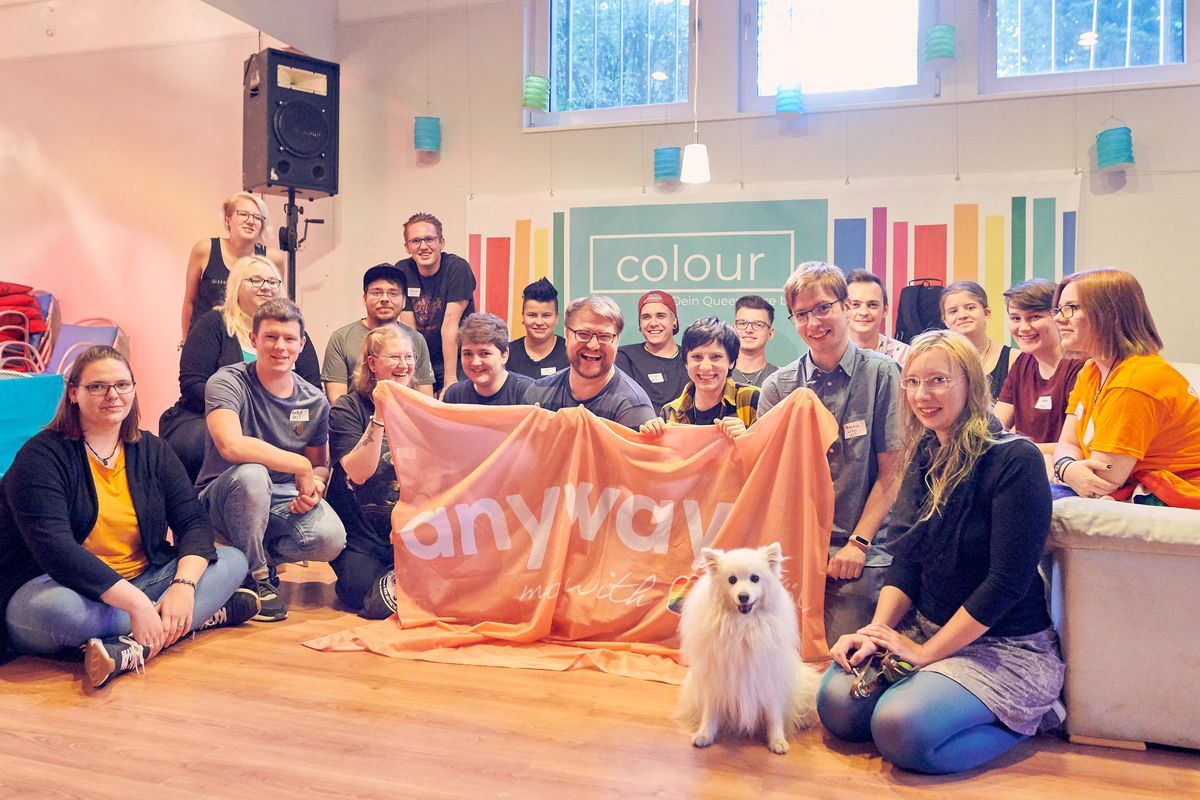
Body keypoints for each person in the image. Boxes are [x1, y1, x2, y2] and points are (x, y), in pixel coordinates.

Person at [817, 330, 1064, 775]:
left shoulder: (1016, 459)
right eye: (912, 382)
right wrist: (876, 631)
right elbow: (907, 559)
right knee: (837, 708)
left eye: (937, 381)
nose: (921, 395)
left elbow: (1005, 584)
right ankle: (927, 695)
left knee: (900, 732)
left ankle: (1030, 718)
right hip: (923, 626)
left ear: (970, 383)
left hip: (1000, 644)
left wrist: (926, 654)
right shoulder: (925, 451)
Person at [0, 346, 256, 688]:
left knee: (232, 559)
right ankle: (196, 619)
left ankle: (130, 648)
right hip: (57, 588)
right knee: (59, 613)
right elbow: (57, 551)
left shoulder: (152, 450)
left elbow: (193, 522)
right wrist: (137, 605)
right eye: (97, 386)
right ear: (74, 393)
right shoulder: (41, 456)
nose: (112, 395)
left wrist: (182, 587)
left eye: (123, 385)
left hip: (142, 579)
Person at [759, 262, 902, 644]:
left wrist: (858, 544)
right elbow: (769, 481)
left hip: (861, 553)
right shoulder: (777, 387)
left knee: (841, 668)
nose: (814, 322)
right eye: (802, 314)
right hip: (795, 553)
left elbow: (894, 472)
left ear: (845, 307)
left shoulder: (884, 374)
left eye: (823, 308)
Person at [196, 298, 346, 622]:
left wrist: (315, 486)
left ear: (301, 344)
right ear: (254, 340)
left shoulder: (314, 400)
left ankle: (242, 556)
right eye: (271, 337)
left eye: (290, 339)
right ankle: (257, 577)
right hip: (224, 494)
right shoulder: (226, 381)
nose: (280, 346)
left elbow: (319, 463)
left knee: (331, 539)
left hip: (281, 500)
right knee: (252, 474)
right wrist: (300, 466)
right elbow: (231, 446)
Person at [160, 255, 321, 482]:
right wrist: (240, 413)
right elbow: (192, 383)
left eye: (272, 281)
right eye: (255, 280)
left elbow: (312, 387)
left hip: (278, 423)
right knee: (197, 445)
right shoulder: (213, 323)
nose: (265, 286)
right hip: (208, 415)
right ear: (236, 285)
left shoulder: (295, 332)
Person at [1051, 268, 1200, 507]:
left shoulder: (1135, 380)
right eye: (1058, 309)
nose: (1058, 318)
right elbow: (1068, 443)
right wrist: (1066, 467)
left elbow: (1101, 482)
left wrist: (1061, 468)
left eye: (1072, 308)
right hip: (1135, 487)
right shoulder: (1091, 369)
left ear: (1110, 314)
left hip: (1174, 496)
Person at [326, 326, 419, 619]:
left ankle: (400, 583)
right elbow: (358, 473)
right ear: (372, 364)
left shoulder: (423, 407)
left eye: (409, 357)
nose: (403, 365)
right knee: (355, 589)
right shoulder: (346, 409)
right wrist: (380, 414)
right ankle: (401, 586)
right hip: (361, 537)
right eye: (394, 357)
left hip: (408, 534)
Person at [524, 296, 655, 430]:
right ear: (566, 335)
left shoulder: (633, 407)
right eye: (583, 334)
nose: (593, 345)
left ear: (617, 340)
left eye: (604, 336)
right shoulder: (537, 394)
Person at [321, 263, 435, 404]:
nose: (385, 299)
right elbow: (336, 401)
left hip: (404, 420)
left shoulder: (416, 339)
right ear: (364, 299)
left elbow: (426, 400)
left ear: (404, 301)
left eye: (393, 293)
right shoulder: (341, 338)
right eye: (376, 292)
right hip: (357, 423)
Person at [180, 191, 285, 343]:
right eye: (243, 214)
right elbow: (189, 301)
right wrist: (186, 341)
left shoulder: (272, 259)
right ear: (228, 220)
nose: (251, 221)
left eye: (257, 217)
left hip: (250, 342)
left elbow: (275, 305)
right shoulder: (204, 250)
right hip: (206, 340)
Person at [995, 279, 1085, 451]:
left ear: (1057, 317)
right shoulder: (1022, 362)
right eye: (1015, 318)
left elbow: (1077, 446)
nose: (1024, 327)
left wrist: (1015, 451)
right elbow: (994, 428)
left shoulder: (1080, 366)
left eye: (1035, 317)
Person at [395, 212, 477, 394]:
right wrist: (418, 377)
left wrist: (450, 381)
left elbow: (450, 325)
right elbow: (410, 331)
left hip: (457, 361)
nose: (423, 246)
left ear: (442, 242)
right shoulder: (402, 270)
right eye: (415, 241)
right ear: (407, 247)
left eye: (430, 239)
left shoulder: (457, 268)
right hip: (424, 358)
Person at [640, 316, 759, 439]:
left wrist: (747, 439)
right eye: (697, 357)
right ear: (686, 362)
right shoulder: (670, 412)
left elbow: (771, 453)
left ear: (731, 362)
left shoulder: (753, 400)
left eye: (716, 357)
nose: (705, 367)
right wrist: (652, 436)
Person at [939, 281, 1015, 400]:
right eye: (953, 311)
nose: (962, 315)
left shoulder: (1014, 359)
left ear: (986, 313)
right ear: (945, 320)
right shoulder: (937, 362)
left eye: (970, 308)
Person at [615, 290, 688, 413]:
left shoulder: (691, 359)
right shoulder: (624, 357)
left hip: (685, 430)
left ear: (674, 321)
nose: (653, 323)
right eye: (646, 317)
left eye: (661, 316)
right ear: (640, 324)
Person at [442, 313, 535, 406]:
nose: (475, 362)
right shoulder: (454, 396)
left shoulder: (528, 393)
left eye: (485, 353)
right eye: (468, 354)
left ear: (504, 355)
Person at [506, 278, 569, 380]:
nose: (539, 322)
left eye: (546, 315)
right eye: (532, 315)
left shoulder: (571, 353)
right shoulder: (507, 354)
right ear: (523, 317)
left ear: (557, 318)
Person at [846, 270, 909, 364]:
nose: (864, 312)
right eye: (855, 305)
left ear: (885, 310)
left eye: (872, 305)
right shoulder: (825, 354)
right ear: (844, 308)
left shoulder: (906, 356)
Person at [730, 295, 779, 387]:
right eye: (742, 323)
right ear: (733, 330)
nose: (749, 330)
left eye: (758, 325)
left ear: (770, 333)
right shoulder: (719, 376)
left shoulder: (780, 378)